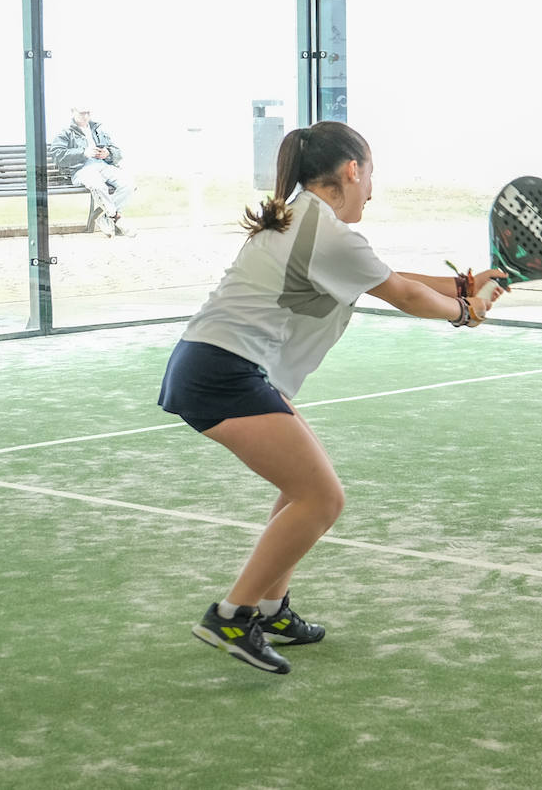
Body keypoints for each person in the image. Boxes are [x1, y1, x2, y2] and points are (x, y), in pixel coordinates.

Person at [158, 120, 502, 674]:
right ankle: (232, 614)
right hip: (223, 371)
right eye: (371, 177)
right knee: (323, 498)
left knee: (301, 489)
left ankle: (270, 610)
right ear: (352, 170)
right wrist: (462, 312)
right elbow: (404, 294)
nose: (373, 190)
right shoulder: (326, 232)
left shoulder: (302, 217)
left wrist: (462, 287)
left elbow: (383, 277)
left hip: (217, 363)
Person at [48, 104, 137, 237]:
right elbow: (57, 155)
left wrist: (108, 153)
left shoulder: (97, 129)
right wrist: (83, 153)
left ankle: (105, 218)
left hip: (103, 166)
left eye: (88, 113)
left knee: (129, 184)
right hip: (81, 170)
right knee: (97, 185)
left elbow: (117, 151)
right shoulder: (65, 132)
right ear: (73, 112)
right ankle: (116, 217)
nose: (86, 116)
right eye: (82, 113)